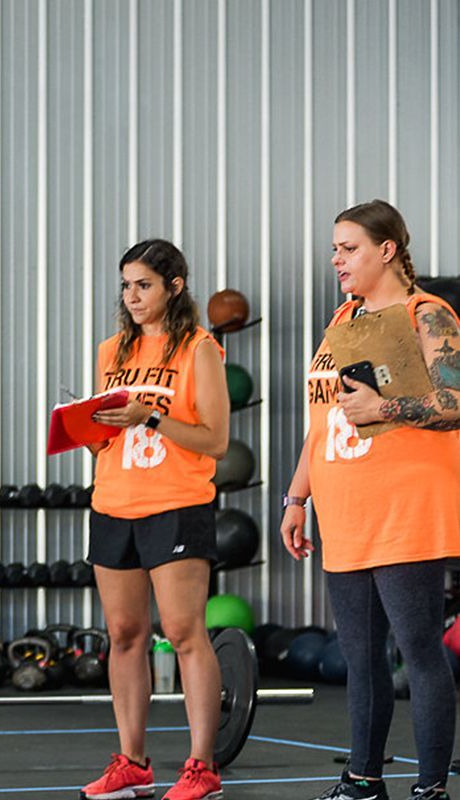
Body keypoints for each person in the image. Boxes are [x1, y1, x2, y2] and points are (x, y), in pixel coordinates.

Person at [281, 199, 458, 800]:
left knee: (419, 654)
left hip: (405, 509)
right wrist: (296, 497)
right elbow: (322, 418)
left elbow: (456, 402)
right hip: (344, 511)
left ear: (387, 250)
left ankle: (431, 787)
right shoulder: (341, 320)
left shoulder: (426, 313)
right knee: (361, 658)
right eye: (334, 248)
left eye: (348, 247)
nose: (337, 259)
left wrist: (384, 408)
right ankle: (363, 780)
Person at [81, 239, 230, 800]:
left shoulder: (199, 349)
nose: (132, 295)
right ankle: (133, 763)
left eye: (144, 284)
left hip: (177, 504)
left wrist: (153, 417)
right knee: (123, 635)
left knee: (184, 633)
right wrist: (85, 433)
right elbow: (107, 436)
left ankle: (201, 768)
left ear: (174, 286)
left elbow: (215, 441)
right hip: (113, 502)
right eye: (126, 285)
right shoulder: (111, 351)